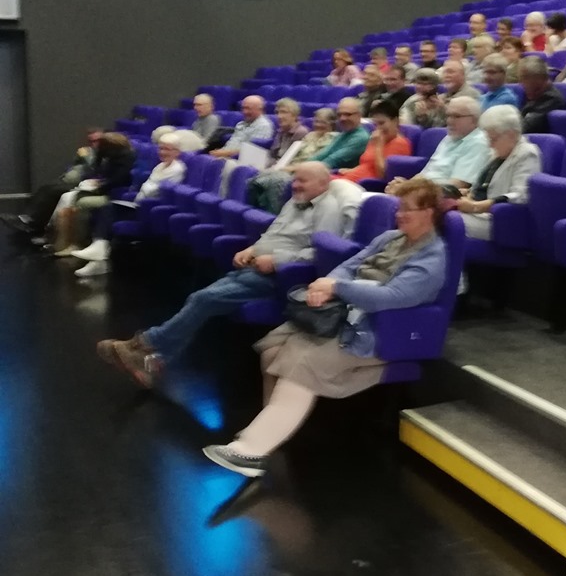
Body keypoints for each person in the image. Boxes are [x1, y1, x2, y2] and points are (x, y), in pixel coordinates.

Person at [200, 177, 447, 477]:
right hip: (346, 315)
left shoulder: (432, 259)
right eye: (399, 208)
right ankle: (270, 432)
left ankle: (251, 452)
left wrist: (337, 288)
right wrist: (326, 285)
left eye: (408, 209)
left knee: (303, 364)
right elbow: (350, 265)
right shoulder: (390, 238)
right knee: (274, 349)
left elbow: (392, 297)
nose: (400, 214)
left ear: (429, 212)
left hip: (380, 331)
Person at [96, 162, 364, 388]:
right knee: (201, 298)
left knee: (202, 299)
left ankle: (145, 343)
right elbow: (273, 234)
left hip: (282, 277)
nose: (295, 185)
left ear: (323, 183)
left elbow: (320, 252)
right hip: (254, 267)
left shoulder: (328, 209)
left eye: (302, 181)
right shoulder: (296, 202)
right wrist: (251, 249)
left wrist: (277, 261)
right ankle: (153, 360)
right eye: (295, 179)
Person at [72, 132, 187, 277]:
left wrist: (145, 190)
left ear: (177, 152)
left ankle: (99, 254)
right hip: (139, 203)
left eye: (167, 149)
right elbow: (148, 188)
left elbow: (155, 191)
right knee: (107, 209)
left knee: (109, 210)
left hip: (150, 212)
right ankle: (98, 255)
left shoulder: (177, 169)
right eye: (161, 148)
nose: (162, 152)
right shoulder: (160, 166)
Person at [454, 106, 542, 240]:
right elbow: (485, 185)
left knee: (448, 221)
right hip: (477, 214)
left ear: (511, 134)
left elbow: (520, 196)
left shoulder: (527, 154)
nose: (490, 145)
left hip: (499, 220)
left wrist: (475, 207)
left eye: (493, 139)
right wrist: (468, 193)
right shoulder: (498, 152)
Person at [2, 127, 104, 239]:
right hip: (73, 181)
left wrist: (86, 157)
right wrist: (78, 160)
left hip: (88, 184)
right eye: (91, 141)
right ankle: (27, 219)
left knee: (53, 191)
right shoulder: (90, 151)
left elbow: (94, 168)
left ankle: (34, 224)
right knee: (45, 188)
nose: (93, 144)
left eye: (96, 141)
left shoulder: (104, 154)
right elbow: (74, 166)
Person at [49, 132, 136, 256]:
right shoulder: (109, 156)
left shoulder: (125, 158)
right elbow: (97, 170)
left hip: (115, 194)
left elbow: (118, 179)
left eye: (101, 145)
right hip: (104, 188)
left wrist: (100, 185)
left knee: (82, 202)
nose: (98, 147)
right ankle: (63, 242)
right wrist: (99, 160)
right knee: (71, 200)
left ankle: (79, 243)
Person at [388, 96, 490, 193]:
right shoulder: (449, 138)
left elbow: (456, 185)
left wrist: (408, 190)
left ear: (474, 119)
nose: (449, 121)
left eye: (456, 116)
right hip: (423, 192)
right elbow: (425, 173)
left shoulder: (478, 143)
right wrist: (406, 185)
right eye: (448, 116)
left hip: (439, 197)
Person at [247, 108, 338, 213]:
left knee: (275, 180)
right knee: (254, 179)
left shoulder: (334, 139)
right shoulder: (310, 135)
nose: (318, 125)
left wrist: (293, 167)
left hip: (305, 171)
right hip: (290, 165)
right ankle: (255, 210)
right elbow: (295, 152)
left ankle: (274, 213)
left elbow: (321, 160)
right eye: (316, 121)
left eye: (322, 122)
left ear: (331, 123)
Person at [334, 100, 411, 183]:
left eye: (381, 123)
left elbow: (383, 175)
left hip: (364, 184)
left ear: (395, 121)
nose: (378, 128)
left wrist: (378, 147)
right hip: (350, 178)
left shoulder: (400, 143)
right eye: (375, 124)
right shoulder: (376, 139)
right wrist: (352, 170)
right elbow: (366, 164)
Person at [311, 98, 370, 171]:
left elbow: (332, 161)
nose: (342, 118)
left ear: (359, 115)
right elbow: (323, 154)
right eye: (339, 115)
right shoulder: (345, 133)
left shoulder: (361, 138)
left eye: (348, 114)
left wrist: (307, 168)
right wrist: (304, 164)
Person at [209, 96, 275, 159]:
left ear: (260, 109)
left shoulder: (263, 126)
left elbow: (253, 151)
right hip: (225, 156)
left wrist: (224, 153)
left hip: (241, 160)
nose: (245, 111)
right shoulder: (241, 124)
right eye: (243, 108)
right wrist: (220, 152)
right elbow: (232, 144)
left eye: (248, 108)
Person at [518, 57, 566, 133]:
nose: (521, 82)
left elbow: (525, 127)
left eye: (524, 77)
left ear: (538, 78)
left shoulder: (552, 99)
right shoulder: (531, 92)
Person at [266, 98, 308, 166]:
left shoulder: (300, 132)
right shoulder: (281, 131)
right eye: (277, 112)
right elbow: (273, 154)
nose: (279, 116)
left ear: (294, 115)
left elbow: (292, 160)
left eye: (284, 112)